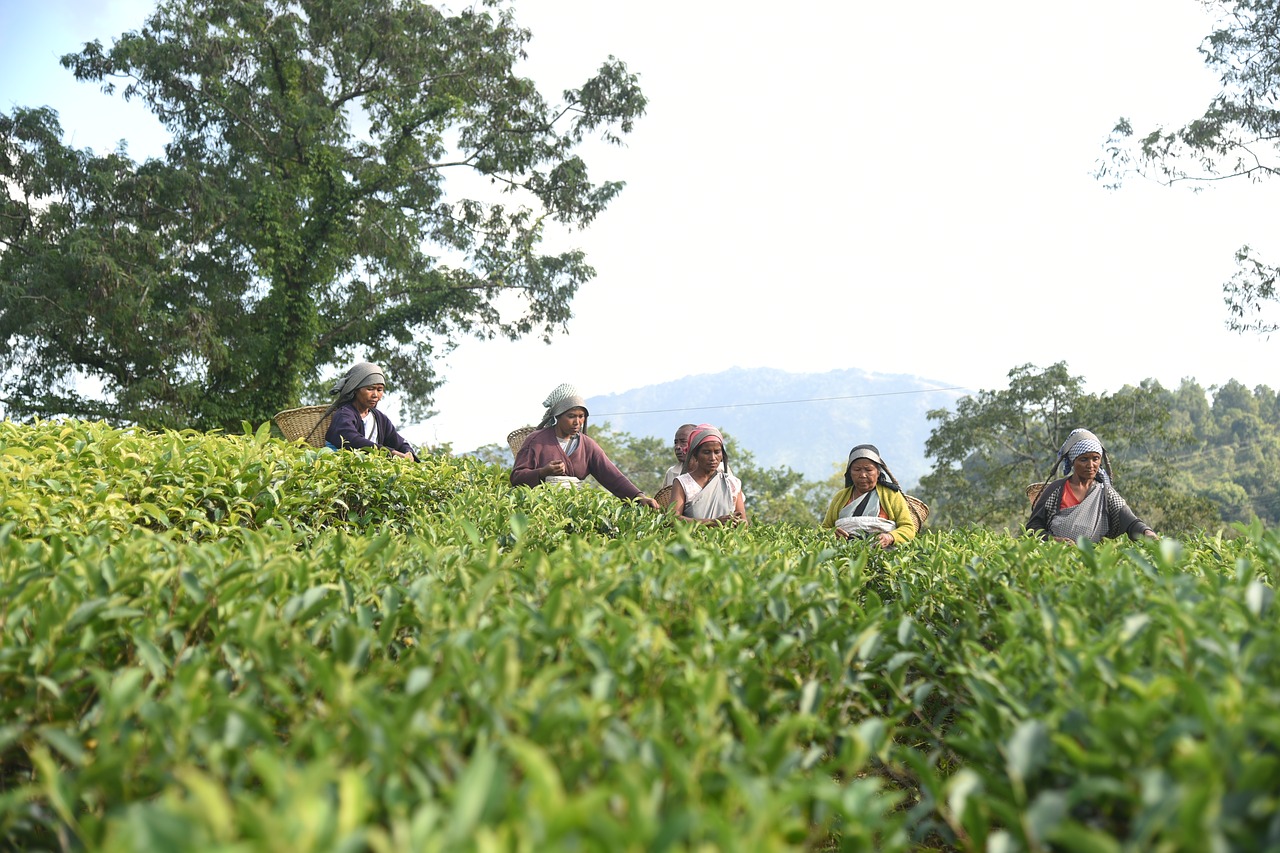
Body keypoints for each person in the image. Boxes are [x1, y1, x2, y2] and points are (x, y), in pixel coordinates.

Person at [511, 384, 659, 508]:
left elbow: (613, 476)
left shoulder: (587, 445)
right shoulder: (536, 441)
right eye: (571, 416)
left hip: (575, 508)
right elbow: (516, 477)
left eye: (581, 416)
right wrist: (543, 472)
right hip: (540, 509)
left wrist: (639, 497)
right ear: (557, 416)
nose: (577, 422)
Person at [1027, 428, 1157, 543]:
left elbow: (1130, 521)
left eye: (1095, 459)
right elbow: (1033, 526)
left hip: (1092, 558)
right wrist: (1054, 541)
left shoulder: (1105, 492)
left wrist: (1147, 532)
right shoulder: (1057, 489)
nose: (1090, 465)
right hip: (1058, 558)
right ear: (1073, 461)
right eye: (1083, 459)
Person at [821, 444, 916, 549]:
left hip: (883, 558)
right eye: (857, 470)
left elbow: (908, 528)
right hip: (845, 556)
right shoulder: (840, 497)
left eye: (868, 470)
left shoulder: (891, 495)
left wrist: (890, 537)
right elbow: (825, 528)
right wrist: (832, 532)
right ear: (850, 473)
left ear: (878, 472)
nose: (863, 475)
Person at [324, 361, 418, 459]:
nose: (375, 395)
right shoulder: (344, 414)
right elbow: (353, 440)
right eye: (370, 389)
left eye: (379, 389)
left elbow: (398, 441)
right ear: (356, 390)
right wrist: (390, 453)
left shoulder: (380, 418)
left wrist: (408, 452)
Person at [669, 424, 747, 526]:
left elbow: (744, 521)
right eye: (706, 452)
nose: (713, 458)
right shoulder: (682, 483)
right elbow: (672, 519)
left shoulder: (732, 483)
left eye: (717, 452)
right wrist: (712, 522)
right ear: (695, 454)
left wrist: (736, 523)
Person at [661, 423, 697, 488]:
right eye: (675, 442)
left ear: (696, 443)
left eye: (683, 442)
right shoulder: (671, 472)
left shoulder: (716, 471)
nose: (677, 447)